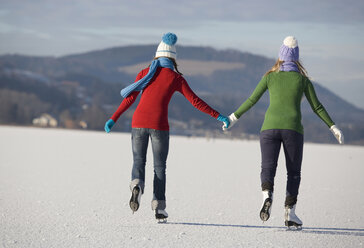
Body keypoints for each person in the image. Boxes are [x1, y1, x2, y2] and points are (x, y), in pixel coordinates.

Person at [104, 32, 230, 222]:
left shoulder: (144, 73)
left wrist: (113, 118)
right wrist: (218, 115)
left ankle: (137, 185)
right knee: (159, 168)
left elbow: (130, 98)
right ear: (173, 58)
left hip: (138, 122)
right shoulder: (175, 78)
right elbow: (195, 101)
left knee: (139, 161)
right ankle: (159, 208)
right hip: (159, 126)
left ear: (157, 54)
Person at [223, 36, 343, 229]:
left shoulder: (270, 77)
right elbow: (317, 107)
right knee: (293, 173)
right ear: (296, 59)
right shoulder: (303, 81)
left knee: (268, 168)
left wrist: (232, 118)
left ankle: (267, 196)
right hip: (293, 130)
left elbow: (252, 100)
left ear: (280, 57)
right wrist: (333, 126)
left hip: (268, 129)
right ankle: (290, 213)